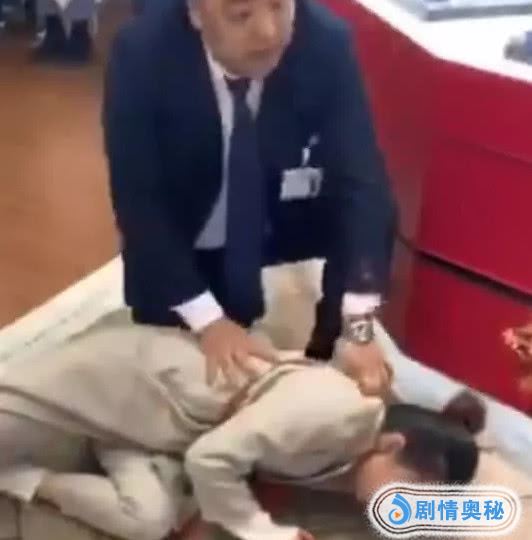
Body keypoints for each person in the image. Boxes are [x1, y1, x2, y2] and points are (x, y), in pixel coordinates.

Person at [103, 0, 397, 394]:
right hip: (184, 243)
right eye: (241, 15)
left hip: (279, 235)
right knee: (189, 385)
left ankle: (348, 356)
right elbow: (140, 202)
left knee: (346, 371)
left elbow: (363, 183)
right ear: (195, 13)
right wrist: (208, 321)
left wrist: (357, 325)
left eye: (279, 6)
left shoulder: (326, 40)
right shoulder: (142, 52)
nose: (269, 32)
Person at [0, 322, 483, 540]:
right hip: (143, 386)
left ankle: (21, 480)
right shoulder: (336, 410)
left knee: (146, 522)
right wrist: (261, 531)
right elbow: (211, 459)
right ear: (393, 444)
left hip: (164, 439)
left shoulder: (355, 460)